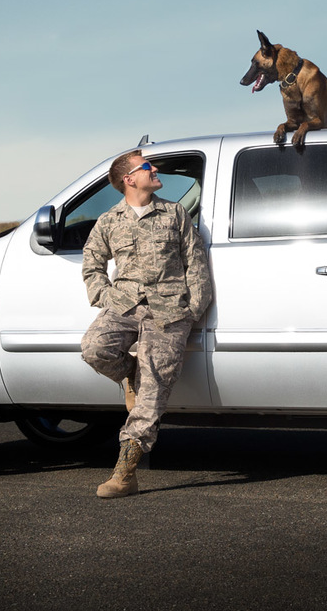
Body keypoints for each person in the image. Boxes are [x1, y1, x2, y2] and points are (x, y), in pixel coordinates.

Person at [79, 149, 214, 498]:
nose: (155, 170)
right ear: (129, 179)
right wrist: (105, 298)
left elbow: (195, 261)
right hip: (124, 305)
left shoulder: (174, 213)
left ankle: (125, 471)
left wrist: (193, 309)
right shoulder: (109, 221)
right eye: (147, 167)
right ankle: (129, 374)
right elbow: (92, 264)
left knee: (152, 389)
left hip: (169, 311)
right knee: (94, 348)